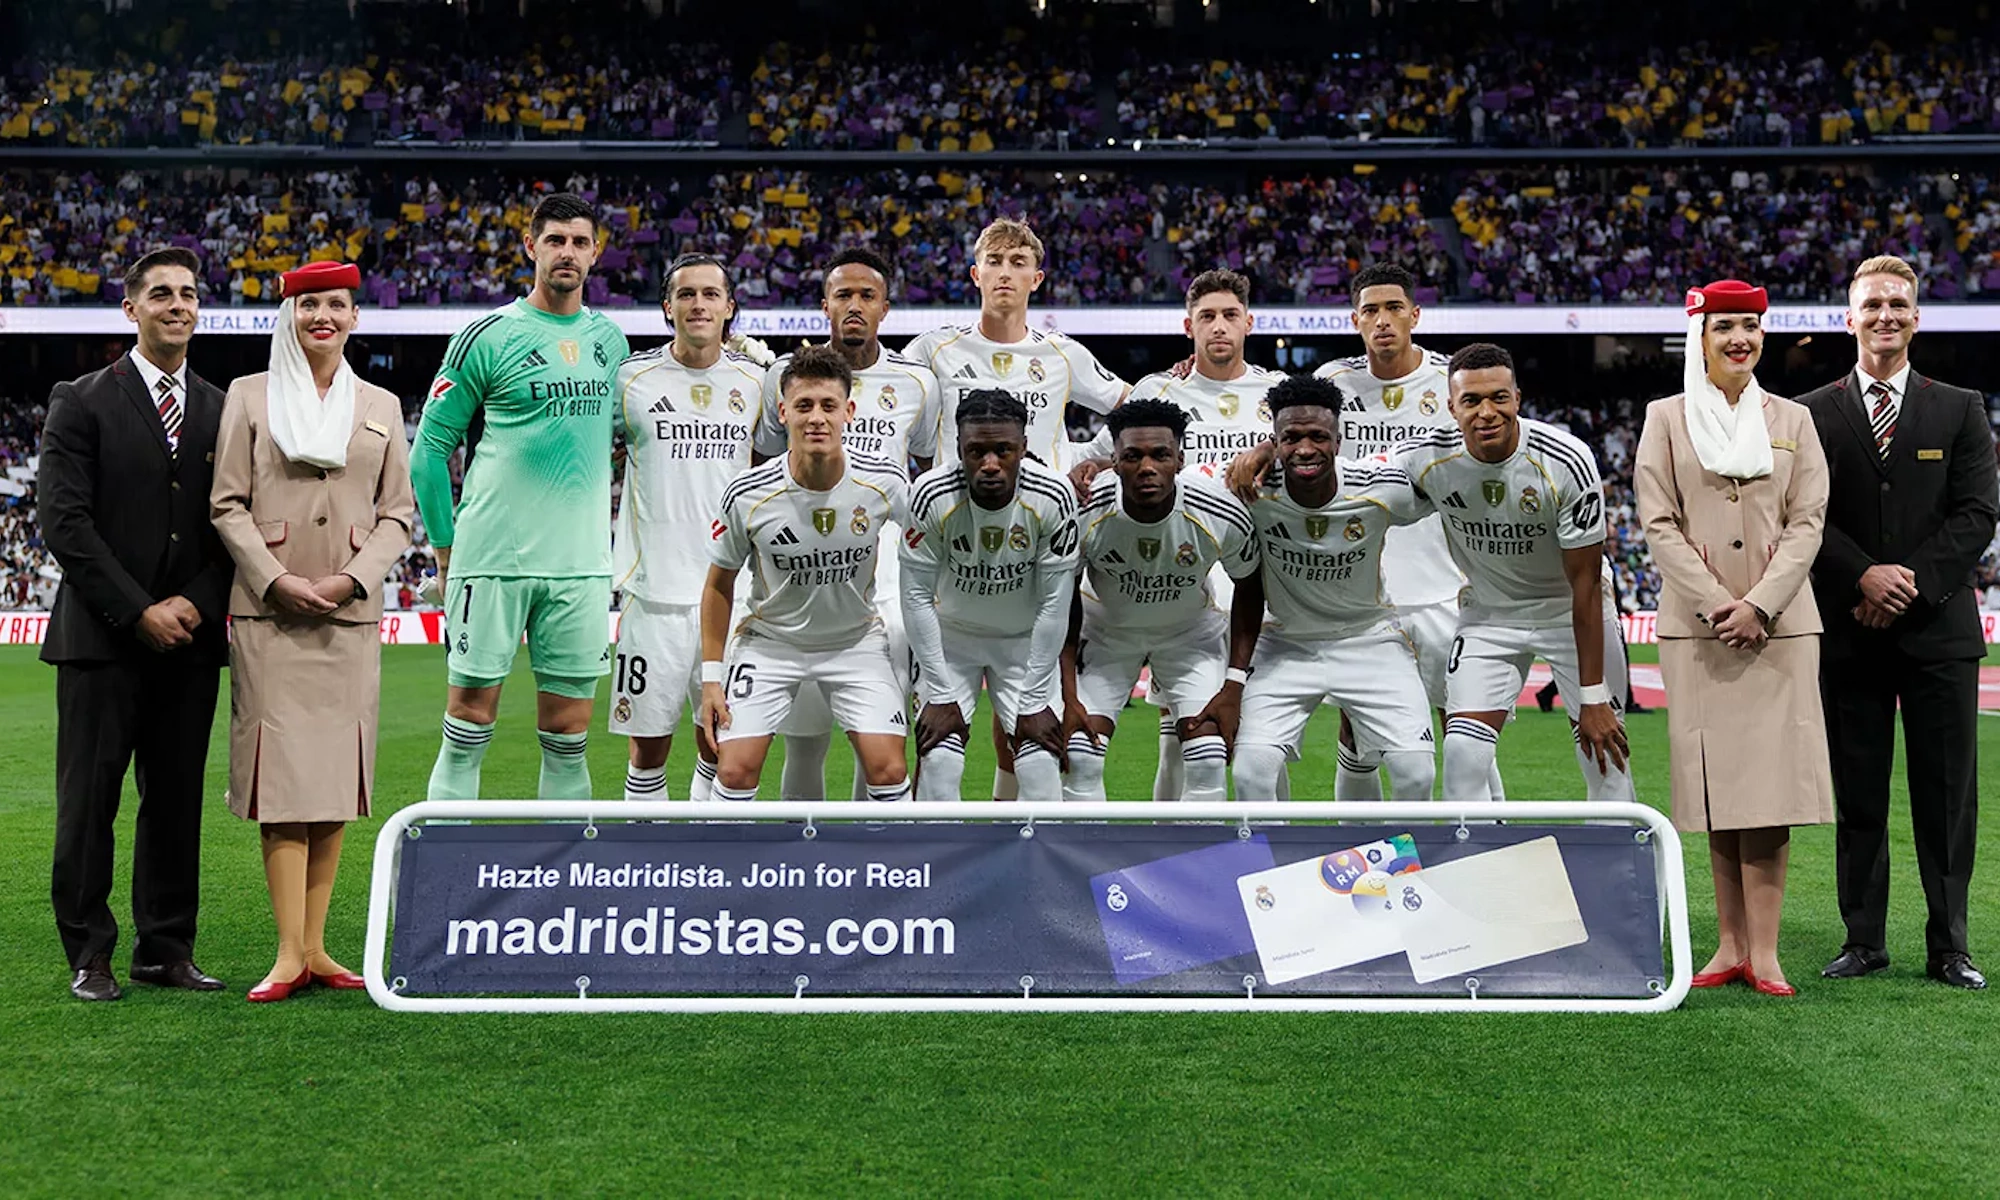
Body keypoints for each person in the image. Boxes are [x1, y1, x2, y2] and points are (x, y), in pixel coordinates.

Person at [210, 261, 414, 1002]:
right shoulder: (250, 396)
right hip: (271, 613)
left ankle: (318, 946)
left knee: (333, 787)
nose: (322, 317)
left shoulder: (383, 404)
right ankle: (286, 951)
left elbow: (397, 512)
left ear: (355, 317)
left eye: (336, 305)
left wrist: (352, 578)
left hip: (350, 614)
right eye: (309, 305)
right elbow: (227, 504)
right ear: (289, 315)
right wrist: (277, 578)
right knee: (282, 787)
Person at [39, 246, 233, 1001]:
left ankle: (166, 948)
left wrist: (195, 601)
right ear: (131, 309)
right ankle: (89, 953)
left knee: (176, 801)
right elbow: (66, 523)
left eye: (188, 293)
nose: (177, 304)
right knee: (90, 804)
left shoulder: (224, 407)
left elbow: (235, 523)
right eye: (161, 294)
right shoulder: (80, 398)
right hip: (102, 640)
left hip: (188, 641)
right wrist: (139, 608)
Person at [1800, 255, 1998, 991]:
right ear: (1848, 318)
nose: (1886, 315)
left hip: (1938, 634)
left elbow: (1977, 513)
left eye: (1899, 304)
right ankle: (1864, 939)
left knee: (1948, 798)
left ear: (1917, 318)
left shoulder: (1960, 407)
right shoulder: (1810, 412)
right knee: (1859, 794)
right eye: (1872, 304)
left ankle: (1951, 946)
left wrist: (1905, 588)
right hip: (1849, 631)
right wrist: (1862, 576)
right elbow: (1802, 517)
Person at [1227, 264, 1494, 803]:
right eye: (1371, 310)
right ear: (1355, 320)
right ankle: (1364, 859)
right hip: (1357, 583)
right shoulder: (1333, 381)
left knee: (1462, 729)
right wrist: (1259, 448)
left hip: (1440, 583)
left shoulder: (1451, 384)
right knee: (1355, 728)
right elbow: (1292, 437)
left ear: (1415, 315)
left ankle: (1479, 846)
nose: (1383, 321)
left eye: (1395, 308)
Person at [1634, 279, 1832, 998]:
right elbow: (1659, 523)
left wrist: (1763, 605)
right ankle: (1728, 944)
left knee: (1769, 794)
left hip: (1780, 631)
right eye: (1724, 327)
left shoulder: (1792, 420)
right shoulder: (1665, 417)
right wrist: (1724, 603)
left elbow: (1809, 521)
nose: (1738, 339)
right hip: (1700, 629)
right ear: (1700, 335)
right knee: (1717, 793)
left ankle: (1768, 952)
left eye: (1750, 325)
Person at [413, 193, 630, 801]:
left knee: (568, 737)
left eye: (580, 242)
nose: (568, 252)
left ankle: (558, 890)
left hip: (581, 566)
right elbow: (428, 451)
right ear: (530, 246)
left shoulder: (610, 342)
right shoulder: (487, 336)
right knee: (467, 726)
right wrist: (444, 550)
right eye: (555, 240)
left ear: (596, 253)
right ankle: (443, 887)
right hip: (493, 559)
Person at [903, 217, 1126, 799]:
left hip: (1039, 537)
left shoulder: (1061, 354)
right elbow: (892, 412)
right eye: (995, 262)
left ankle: (1012, 837)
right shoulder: (934, 349)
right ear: (976, 275)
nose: (1006, 273)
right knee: (939, 741)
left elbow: (1131, 408)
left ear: (1037, 278)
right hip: (956, 538)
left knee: (1027, 732)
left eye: (1017, 262)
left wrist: (1091, 458)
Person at [1067, 268, 1280, 801]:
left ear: (1249, 323)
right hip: (1168, 572)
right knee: (1174, 737)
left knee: (1255, 741)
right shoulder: (1159, 391)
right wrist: (1077, 474)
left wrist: (1270, 449)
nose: (1219, 327)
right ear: (1189, 326)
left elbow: (1315, 452)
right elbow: (1097, 457)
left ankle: (1266, 847)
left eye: (1230, 315)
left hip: (1257, 574)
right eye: (1207, 316)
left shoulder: (1275, 393)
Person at [1390, 343, 1633, 804]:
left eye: (1499, 398)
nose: (1487, 412)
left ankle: (1620, 876)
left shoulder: (1567, 459)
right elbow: (1351, 482)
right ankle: (1476, 871)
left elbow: (1584, 583)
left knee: (1603, 753)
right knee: (1462, 754)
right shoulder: (1425, 459)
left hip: (1570, 613)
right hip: (1490, 617)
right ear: (1450, 407)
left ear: (1517, 398)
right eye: (1471, 401)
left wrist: (1594, 697)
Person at [1190, 375, 1437, 802]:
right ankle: (1272, 867)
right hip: (1284, 643)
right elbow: (1168, 474)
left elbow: (1444, 472)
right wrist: (1101, 467)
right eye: (1291, 438)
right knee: (1250, 774)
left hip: (1370, 640)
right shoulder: (1248, 487)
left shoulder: (1380, 488)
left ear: (1339, 441)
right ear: (1275, 440)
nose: (1305, 448)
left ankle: (1391, 868)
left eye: (1318, 436)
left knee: (1416, 773)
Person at [755, 247, 940, 803]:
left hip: (887, 585)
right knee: (804, 741)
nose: (854, 305)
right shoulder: (783, 378)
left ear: (885, 308)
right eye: (843, 295)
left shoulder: (917, 383)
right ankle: (801, 867)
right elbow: (764, 463)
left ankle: (870, 855)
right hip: (802, 575)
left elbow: (925, 471)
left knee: (880, 738)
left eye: (866, 296)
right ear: (824, 306)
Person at [697, 346, 912, 802]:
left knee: (889, 770)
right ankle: (721, 871)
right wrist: (712, 679)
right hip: (771, 645)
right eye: (804, 405)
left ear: (849, 412)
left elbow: (930, 548)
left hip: (855, 642)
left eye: (829, 406)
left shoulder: (885, 483)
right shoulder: (747, 493)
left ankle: (886, 872)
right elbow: (719, 585)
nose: (817, 418)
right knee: (733, 773)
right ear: (783, 411)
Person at [608, 252, 765, 804]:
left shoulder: (758, 381)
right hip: (652, 593)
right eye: (686, 294)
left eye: (710, 294)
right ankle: (644, 857)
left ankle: (701, 853)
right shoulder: (629, 380)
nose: (698, 304)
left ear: (729, 307)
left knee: (719, 742)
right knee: (647, 749)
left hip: (734, 595)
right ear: (667, 307)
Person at [1062, 398, 1259, 802]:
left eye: (1160, 455)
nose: (1147, 467)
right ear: (1113, 462)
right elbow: (1061, 596)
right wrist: (1066, 694)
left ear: (1180, 460)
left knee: (1207, 758)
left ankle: (1198, 866)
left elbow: (1251, 584)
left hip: (1189, 637)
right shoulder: (1085, 508)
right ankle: (1086, 866)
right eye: (1132, 457)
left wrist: (1234, 683)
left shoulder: (1218, 508)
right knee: (1081, 754)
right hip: (1107, 635)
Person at [901, 390, 1080, 801]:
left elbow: (1056, 604)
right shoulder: (930, 493)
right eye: (976, 451)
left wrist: (1035, 700)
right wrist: (941, 695)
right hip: (950, 642)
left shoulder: (1052, 495)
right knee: (941, 761)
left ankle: (1038, 865)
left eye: (1004, 450)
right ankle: (944, 865)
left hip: (1022, 643)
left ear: (1023, 448)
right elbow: (915, 597)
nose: (990, 465)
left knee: (1039, 765)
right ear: (958, 449)